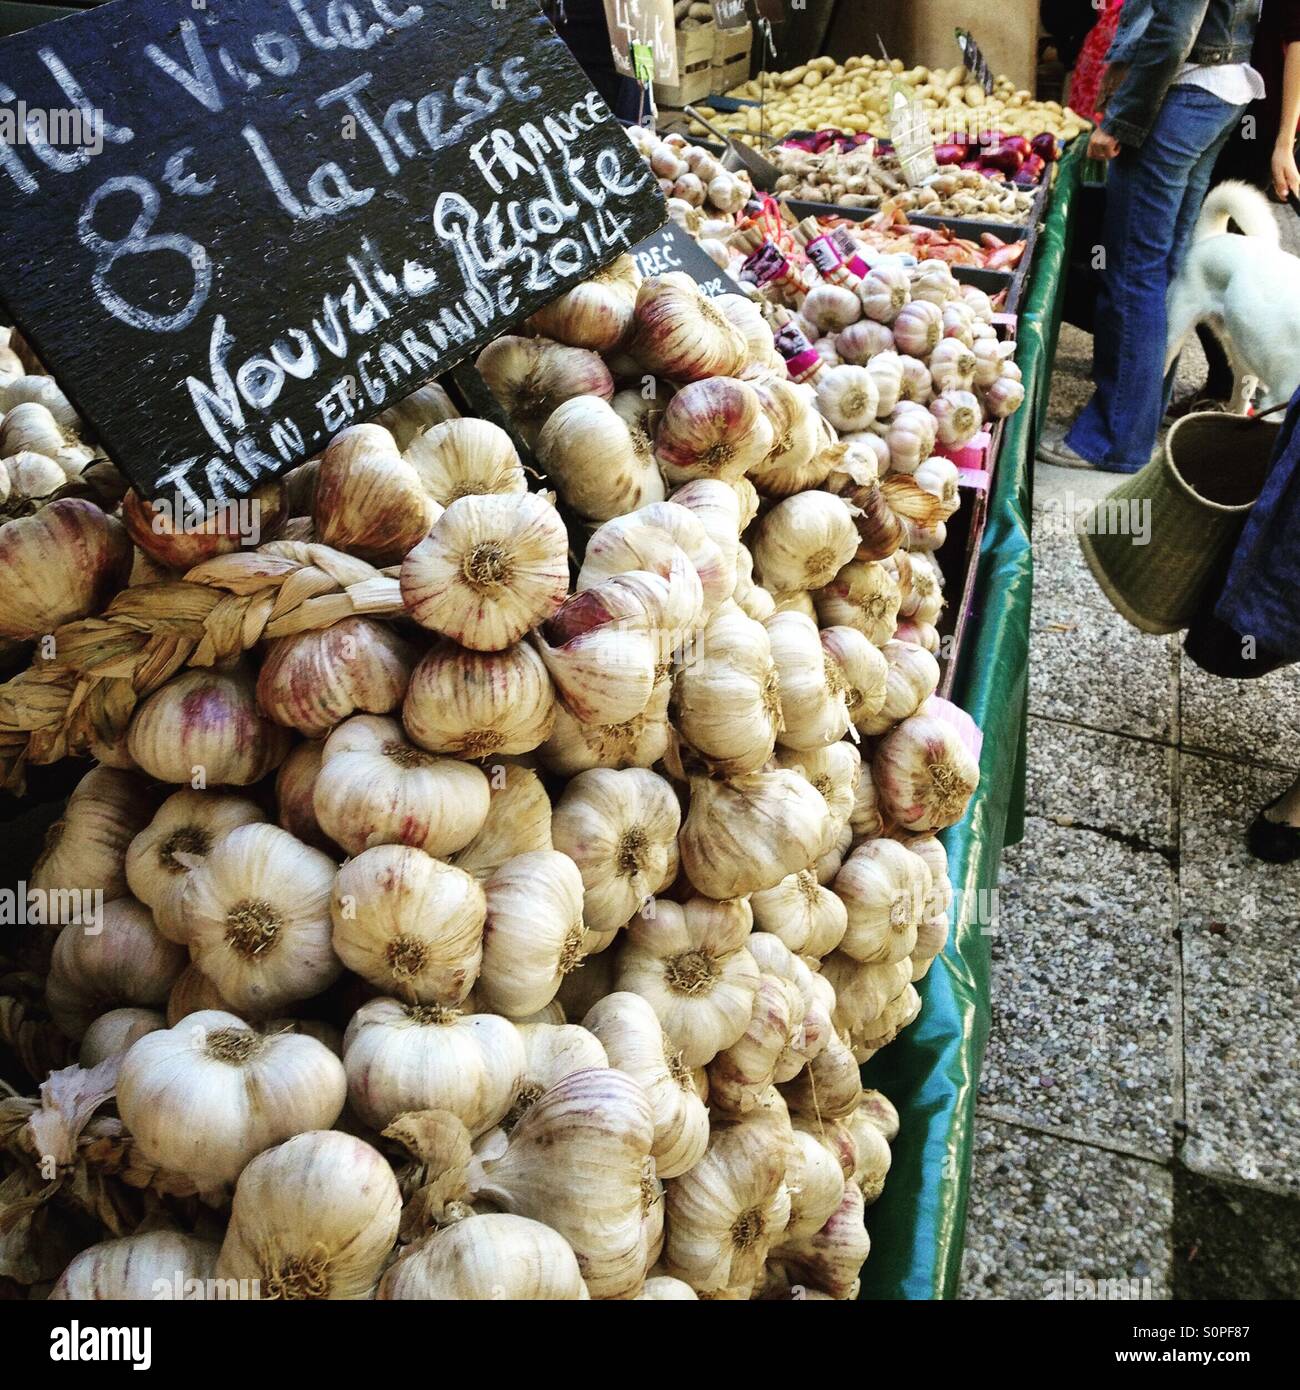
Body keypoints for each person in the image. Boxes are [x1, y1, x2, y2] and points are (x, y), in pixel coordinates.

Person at [1038, 1, 1265, 472]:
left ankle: (1114, 440)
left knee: (1134, 274)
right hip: (1218, 87)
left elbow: (1174, 31)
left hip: (1183, 92)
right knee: (1163, 271)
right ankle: (1137, 422)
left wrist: (1122, 118)